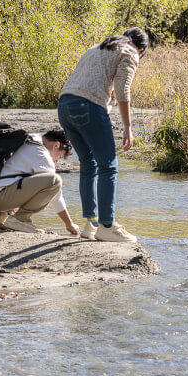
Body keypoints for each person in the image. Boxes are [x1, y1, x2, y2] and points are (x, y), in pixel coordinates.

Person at [57, 27, 149, 244]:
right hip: (88, 107)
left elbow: (95, 79)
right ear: (142, 48)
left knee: (88, 164)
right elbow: (123, 89)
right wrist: (127, 126)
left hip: (64, 105)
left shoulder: (97, 47)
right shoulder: (130, 52)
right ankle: (107, 226)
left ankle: (91, 224)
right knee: (109, 166)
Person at [0, 129, 78, 235]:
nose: (56, 161)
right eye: (59, 156)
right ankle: (21, 220)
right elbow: (56, 195)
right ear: (56, 145)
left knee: (28, 179)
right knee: (55, 181)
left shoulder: (26, 139)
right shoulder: (41, 153)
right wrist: (69, 223)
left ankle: (4, 216)